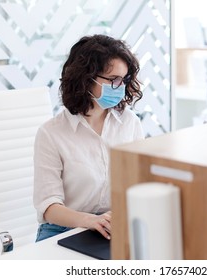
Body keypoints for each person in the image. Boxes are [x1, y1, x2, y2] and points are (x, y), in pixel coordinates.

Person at [33, 34, 144, 242]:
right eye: (113, 80)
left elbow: (138, 183)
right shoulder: (51, 133)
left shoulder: (130, 123)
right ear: (85, 79)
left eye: (124, 79)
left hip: (111, 227)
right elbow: (48, 207)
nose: (120, 87)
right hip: (62, 230)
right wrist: (89, 220)